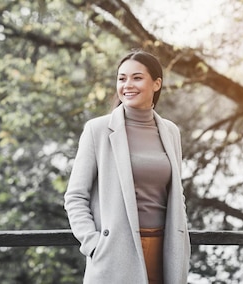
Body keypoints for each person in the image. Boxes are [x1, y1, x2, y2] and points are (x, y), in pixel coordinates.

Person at [64, 50, 191, 284]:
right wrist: (94, 245)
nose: (127, 85)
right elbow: (75, 197)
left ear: (156, 83)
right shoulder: (97, 130)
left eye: (137, 78)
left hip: (166, 251)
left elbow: (176, 193)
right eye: (122, 78)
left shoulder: (171, 132)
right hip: (116, 255)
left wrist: (181, 242)